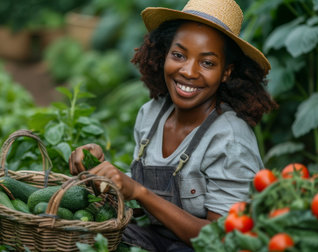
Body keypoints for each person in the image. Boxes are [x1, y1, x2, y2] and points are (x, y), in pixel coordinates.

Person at [69, 0, 278, 250]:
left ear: (226, 72)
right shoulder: (152, 114)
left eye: (207, 62)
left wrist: (139, 192)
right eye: (178, 55)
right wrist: (101, 171)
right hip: (155, 239)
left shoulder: (230, 139)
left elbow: (223, 238)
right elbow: (140, 208)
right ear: (164, 54)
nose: (188, 71)